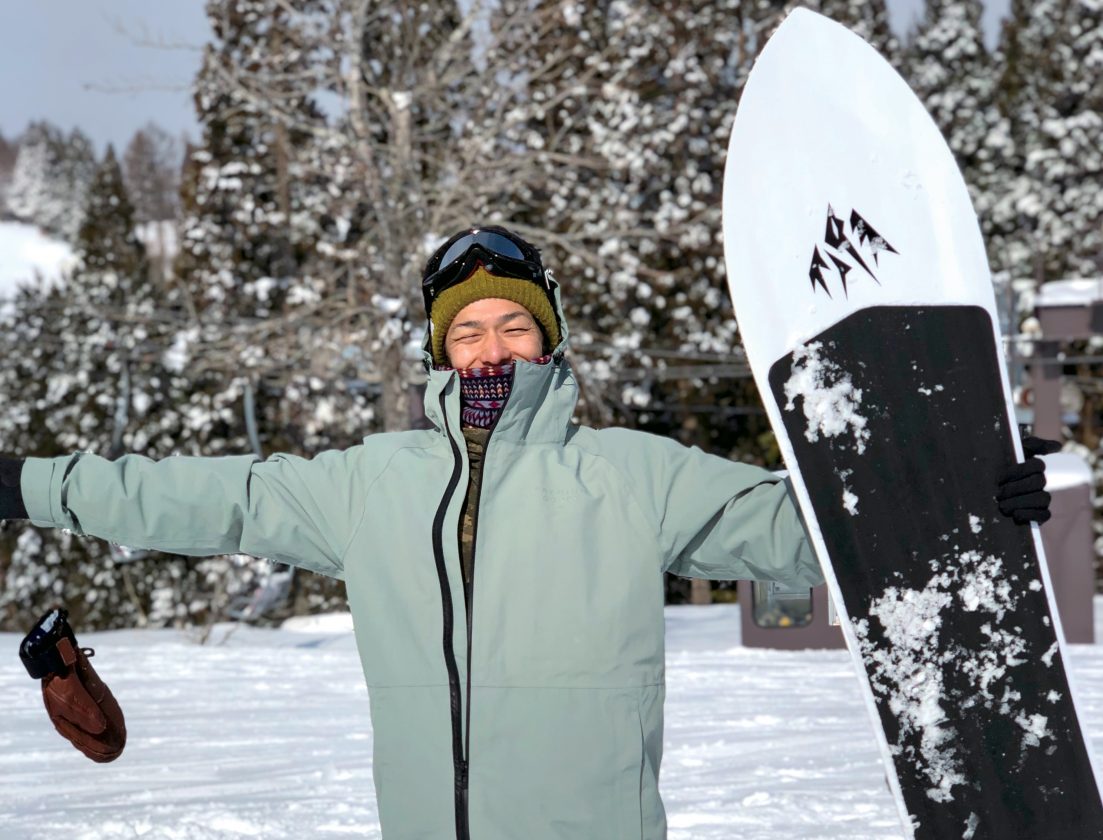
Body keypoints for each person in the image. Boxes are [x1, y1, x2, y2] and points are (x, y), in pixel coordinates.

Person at [2, 225, 1054, 839]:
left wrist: (957, 500)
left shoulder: (629, 473)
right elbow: (201, 496)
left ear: (547, 344)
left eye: (513, 326)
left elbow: (793, 528)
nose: (491, 346)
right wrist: (24, 484)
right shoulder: (371, 484)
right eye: (467, 331)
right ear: (438, 353)